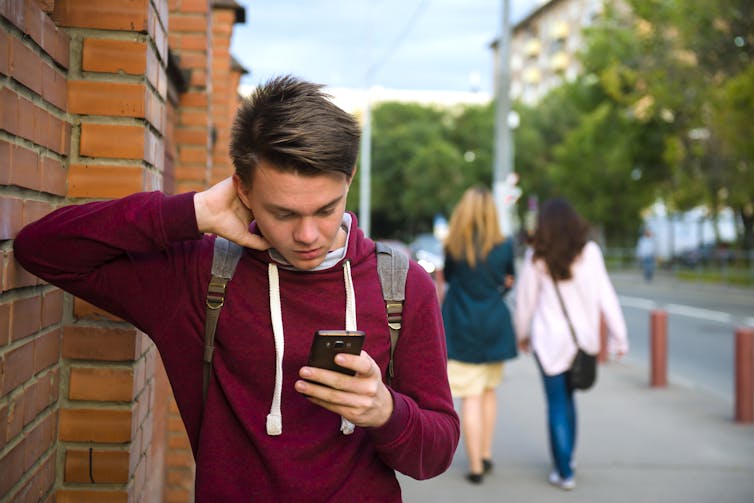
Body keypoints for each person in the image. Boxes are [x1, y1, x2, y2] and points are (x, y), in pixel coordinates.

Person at [13, 75, 459, 502]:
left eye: (326, 209)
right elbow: (42, 249)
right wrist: (191, 211)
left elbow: (436, 453)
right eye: (283, 213)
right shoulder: (202, 275)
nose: (308, 235)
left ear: (350, 176)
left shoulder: (399, 285)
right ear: (242, 189)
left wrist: (385, 412)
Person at [513, 198, 628, 491]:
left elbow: (525, 304)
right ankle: (569, 461)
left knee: (555, 404)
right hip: (582, 343)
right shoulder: (590, 253)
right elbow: (607, 296)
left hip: (548, 341)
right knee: (570, 399)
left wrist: (521, 335)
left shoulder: (537, 256)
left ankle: (563, 470)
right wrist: (619, 337)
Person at [440, 186, 518, 484]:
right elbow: (509, 281)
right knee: (488, 390)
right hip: (494, 326)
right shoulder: (504, 245)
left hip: (460, 325)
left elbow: (448, 278)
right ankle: (485, 454)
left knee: (470, 397)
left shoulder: (453, 246)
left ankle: (474, 467)